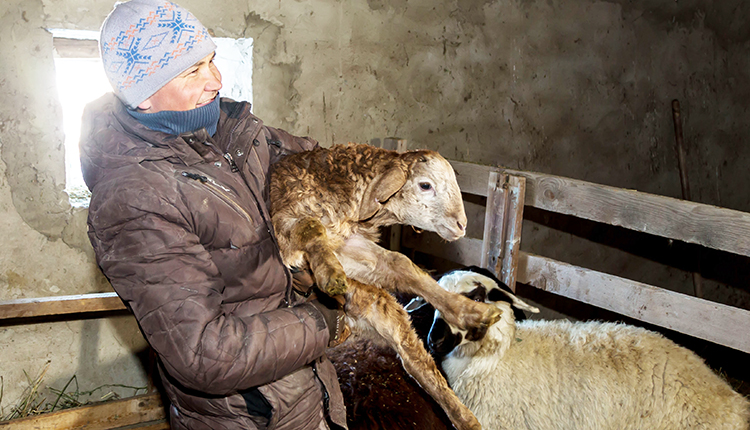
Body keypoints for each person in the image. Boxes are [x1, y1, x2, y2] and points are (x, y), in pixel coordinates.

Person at [79, 1, 349, 429]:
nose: (216, 81)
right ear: (143, 95)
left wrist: (397, 176)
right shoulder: (134, 199)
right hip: (248, 417)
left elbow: (324, 167)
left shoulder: (236, 133)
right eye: (192, 71)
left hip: (309, 394)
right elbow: (206, 352)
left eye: (212, 60)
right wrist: (329, 320)